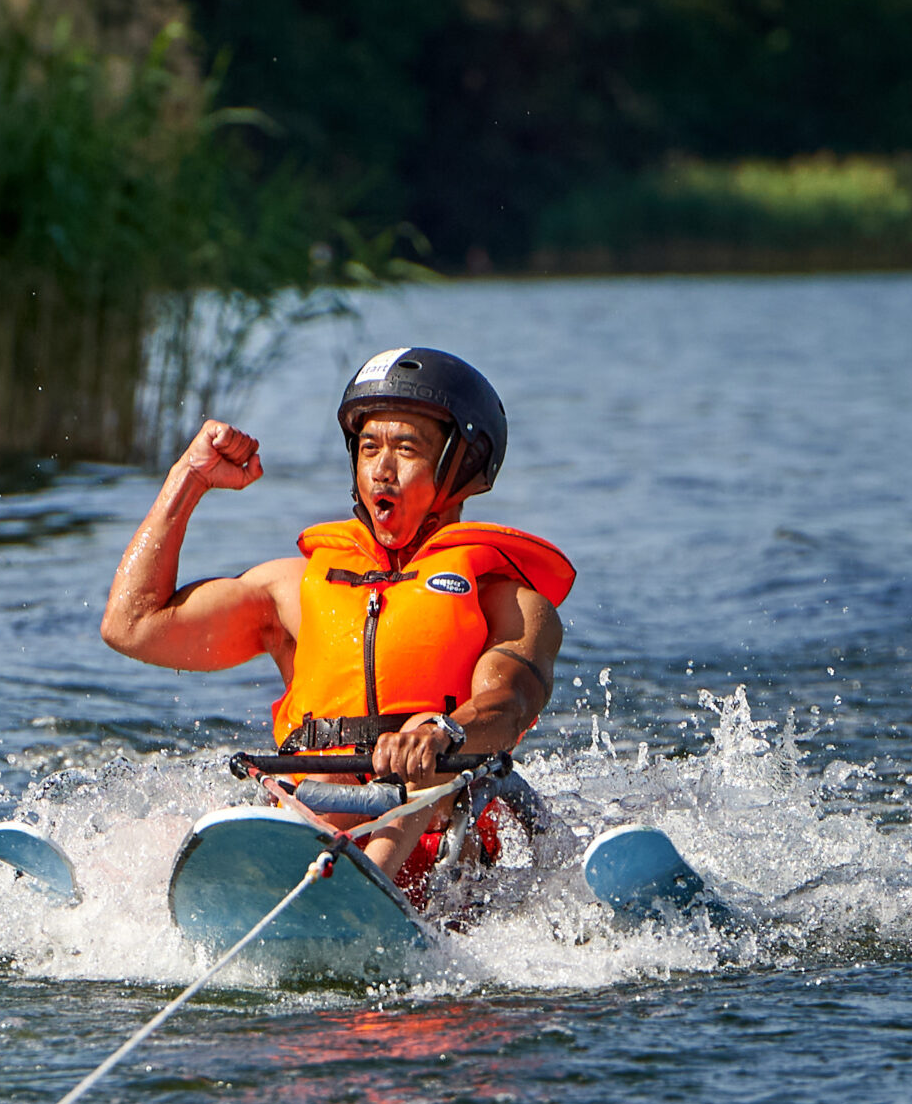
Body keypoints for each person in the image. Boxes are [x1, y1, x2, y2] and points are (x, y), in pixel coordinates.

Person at [100, 347, 574, 887]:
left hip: (446, 855)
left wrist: (442, 733)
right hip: (317, 826)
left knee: (420, 737)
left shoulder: (511, 603)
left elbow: (509, 704)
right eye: (369, 448)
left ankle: (364, 883)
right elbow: (131, 626)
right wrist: (189, 478)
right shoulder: (293, 591)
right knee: (315, 783)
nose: (381, 470)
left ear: (462, 466)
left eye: (406, 449)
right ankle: (272, 876)